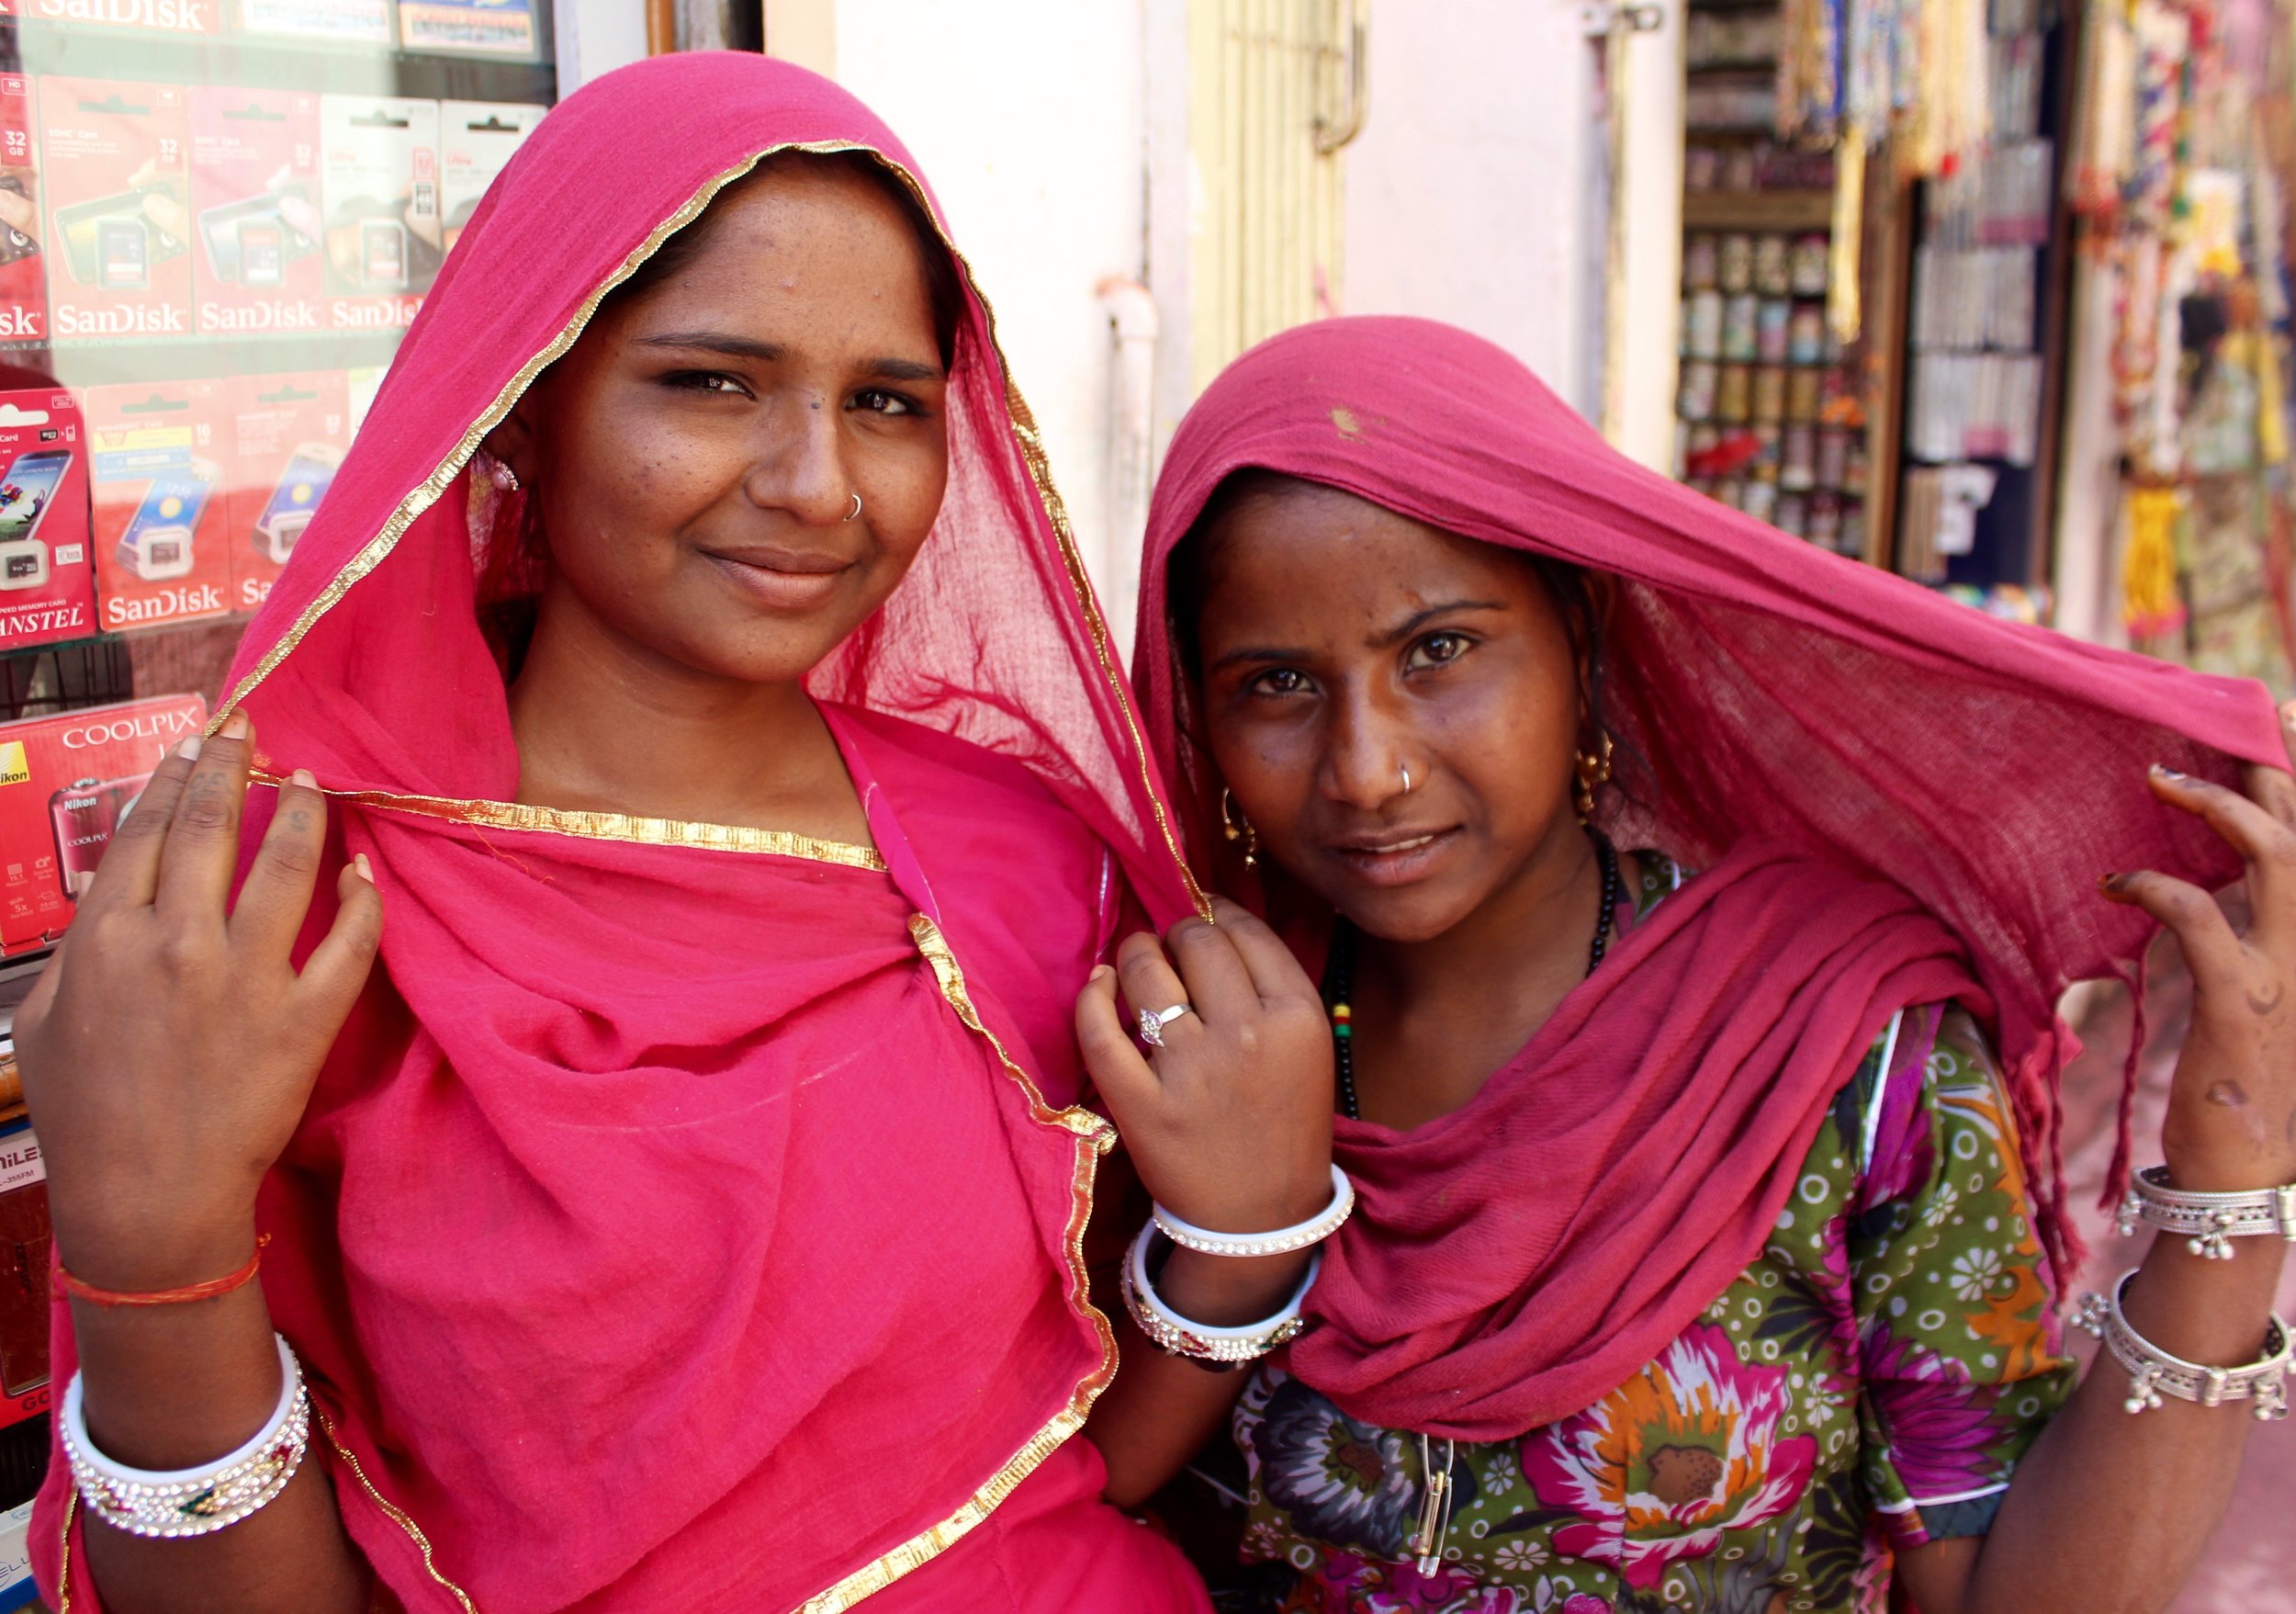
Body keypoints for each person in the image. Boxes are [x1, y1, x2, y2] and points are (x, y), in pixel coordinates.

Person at [14, 54, 1336, 1614]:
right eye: (711, 382)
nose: (815, 483)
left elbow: (1078, 1461)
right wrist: (146, 1239)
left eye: (887, 403)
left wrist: (1239, 1234)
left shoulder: (1023, 859)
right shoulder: (287, 918)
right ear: (521, 405)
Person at [1096, 314, 2296, 1614]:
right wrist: (1232, 1238)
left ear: (1582, 636)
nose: (1369, 768)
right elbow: (1042, 1498)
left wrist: (2228, 1198)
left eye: (1439, 649)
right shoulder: (1173, 1041)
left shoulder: (1842, 1046)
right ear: (1198, 714)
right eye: (1275, 683)